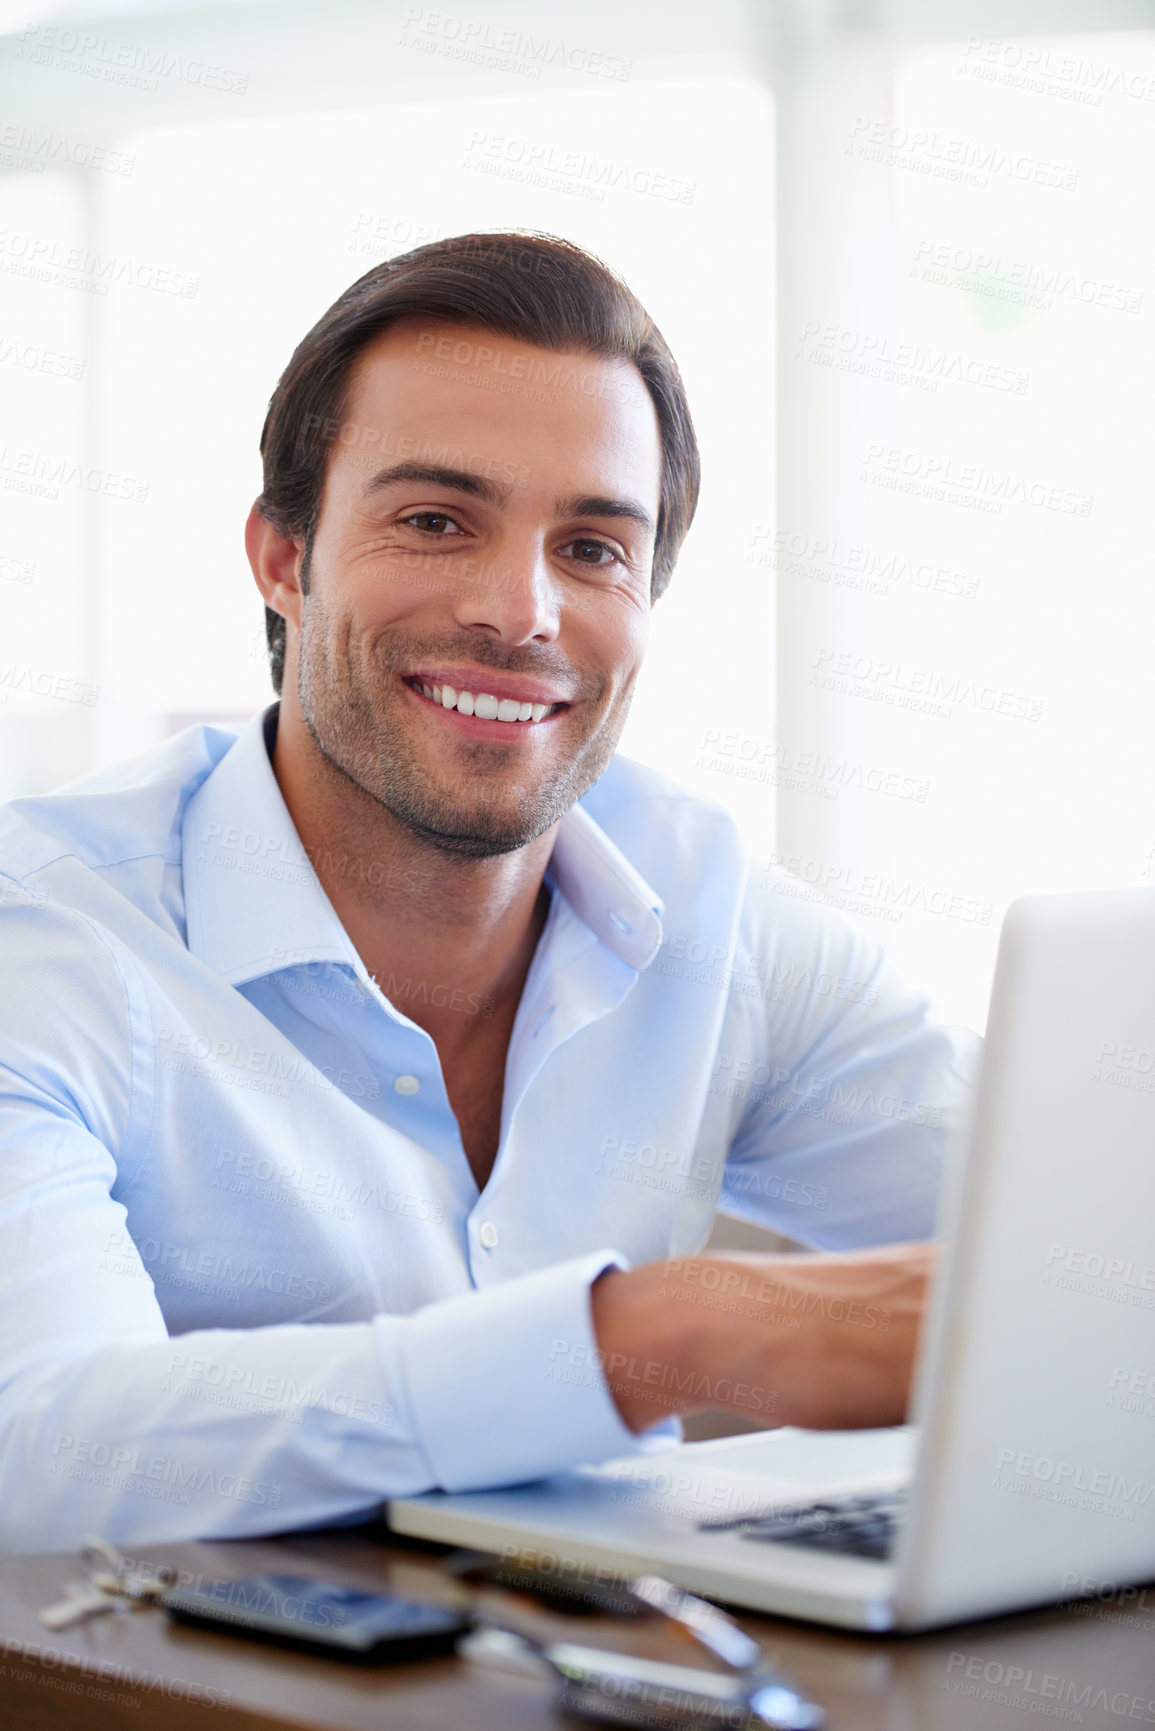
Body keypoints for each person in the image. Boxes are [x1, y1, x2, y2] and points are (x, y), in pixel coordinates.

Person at [0, 232, 978, 1552]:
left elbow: (1070, 1235)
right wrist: (656, 1339)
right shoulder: (46, 936)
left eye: (592, 548)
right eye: (435, 521)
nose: (520, 612)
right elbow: (40, 1452)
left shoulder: (712, 908)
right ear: (284, 560)